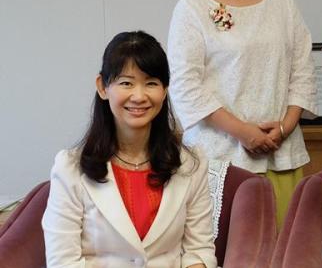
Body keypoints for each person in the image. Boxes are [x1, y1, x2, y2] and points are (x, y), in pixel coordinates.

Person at [167, 0, 316, 226]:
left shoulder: (283, 5)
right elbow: (186, 87)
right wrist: (245, 133)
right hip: (219, 160)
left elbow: (303, 74)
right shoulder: (191, 9)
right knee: (226, 252)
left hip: (281, 154)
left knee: (285, 252)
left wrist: (282, 128)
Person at [42, 31, 216, 267]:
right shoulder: (70, 167)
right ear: (102, 87)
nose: (139, 96)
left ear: (164, 91)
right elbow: (63, 262)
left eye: (151, 83)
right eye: (126, 83)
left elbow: (198, 251)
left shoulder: (191, 164)